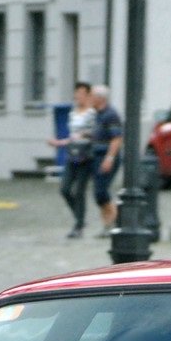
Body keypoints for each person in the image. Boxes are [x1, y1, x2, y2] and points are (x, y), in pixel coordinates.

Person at [49, 82, 95, 238]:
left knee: (80, 190)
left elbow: (94, 133)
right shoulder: (73, 113)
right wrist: (60, 143)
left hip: (85, 156)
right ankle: (79, 217)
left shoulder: (92, 113)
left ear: (88, 95)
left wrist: (85, 136)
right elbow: (72, 136)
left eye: (81, 93)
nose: (78, 97)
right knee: (65, 189)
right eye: (77, 93)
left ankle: (79, 225)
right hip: (72, 154)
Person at [89, 84, 124, 237]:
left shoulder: (111, 114)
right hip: (97, 156)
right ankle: (107, 225)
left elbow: (116, 138)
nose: (90, 99)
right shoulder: (98, 114)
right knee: (98, 193)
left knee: (101, 192)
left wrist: (109, 158)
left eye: (92, 96)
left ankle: (116, 220)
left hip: (106, 157)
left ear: (99, 98)